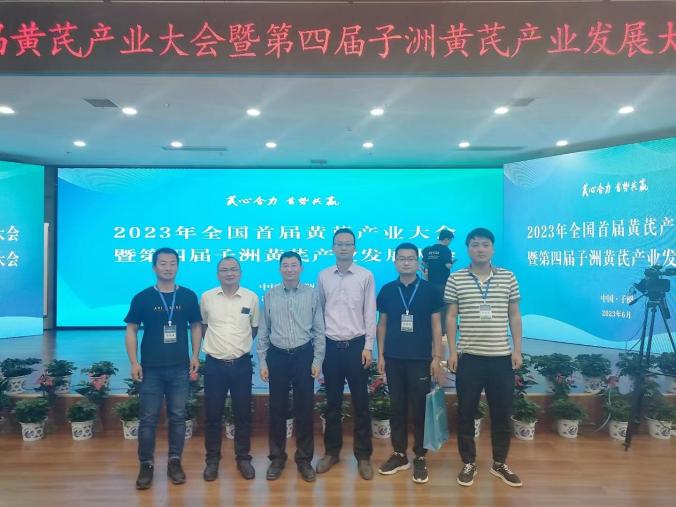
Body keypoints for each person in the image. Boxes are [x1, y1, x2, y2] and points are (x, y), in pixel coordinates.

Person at [444, 228, 524, 488]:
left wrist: (517, 349)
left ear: (493, 248)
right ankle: (468, 462)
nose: (480, 249)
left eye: (485, 244)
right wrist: (452, 352)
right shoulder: (456, 278)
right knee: (466, 412)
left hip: (501, 358)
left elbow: (514, 314)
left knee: (501, 413)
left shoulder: (508, 277)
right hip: (469, 358)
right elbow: (451, 316)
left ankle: (499, 463)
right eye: (475, 244)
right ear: (468, 248)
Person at [124, 247, 203, 490]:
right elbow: (131, 329)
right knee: (148, 419)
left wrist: (195, 355)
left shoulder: (188, 296)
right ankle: (146, 465)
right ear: (154, 267)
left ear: (178, 266)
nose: (168, 267)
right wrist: (134, 362)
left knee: (178, 417)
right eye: (163, 263)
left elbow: (196, 326)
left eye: (172, 263)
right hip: (151, 369)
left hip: (179, 368)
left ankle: (174, 462)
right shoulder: (142, 298)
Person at [376, 242, 444, 484]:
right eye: (402, 258)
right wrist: (380, 355)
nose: (406, 262)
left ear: (418, 262)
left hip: (420, 359)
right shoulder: (386, 290)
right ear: (395, 261)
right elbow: (382, 324)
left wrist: (437, 357)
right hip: (393, 358)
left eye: (411, 258)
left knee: (419, 408)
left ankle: (420, 456)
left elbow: (436, 326)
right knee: (397, 407)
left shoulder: (430, 290)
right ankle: (399, 454)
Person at [256, 251, 325, 482]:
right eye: (285, 265)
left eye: (294, 265)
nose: (289, 269)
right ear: (280, 269)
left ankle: (304, 460)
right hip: (277, 356)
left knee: (305, 409)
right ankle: (277, 458)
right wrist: (263, 361)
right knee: (277, 409)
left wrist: (317, 360)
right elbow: (264, 331)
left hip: (304, 354)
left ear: (301, 268)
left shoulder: (312, 294)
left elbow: (319, 330)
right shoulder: (270, 295)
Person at [315, 228, 376, 480]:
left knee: (361, 403)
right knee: (332, 403)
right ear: (332, 247)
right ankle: (332, 452)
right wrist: (319, 350)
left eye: (348, 244)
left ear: (354, 248)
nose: (343, 247)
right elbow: (319, 312)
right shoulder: (323, 276)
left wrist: (368, 346)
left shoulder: (365, 275)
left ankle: (363, 456)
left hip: (356, 347)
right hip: (331, 347)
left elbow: (370, 312)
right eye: (339, 243)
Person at [200, 257, 259, 481]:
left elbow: (254, 329)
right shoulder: (207, 297)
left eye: (234, 269)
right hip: (214, 365)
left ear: (240, 273)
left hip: (241, 365)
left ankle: (243, 458)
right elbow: (204, 326)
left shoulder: (251, 297)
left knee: (242, 414)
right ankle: (212, 460)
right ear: (218, 274)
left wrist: (237, 348)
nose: (229, 273)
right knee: (213, 415)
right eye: (224, 270)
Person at [422, 229, 455, 335]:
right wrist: (452, 262)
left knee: (431, 307)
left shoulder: (429, 250)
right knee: (443, 307)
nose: (449, 243)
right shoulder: (446, 250)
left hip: (430, 283)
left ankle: (430, 329)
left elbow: (424, 264)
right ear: (447, 239)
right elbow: (448, 266)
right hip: (442, 283)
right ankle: (442, 331)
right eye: (450, 240)